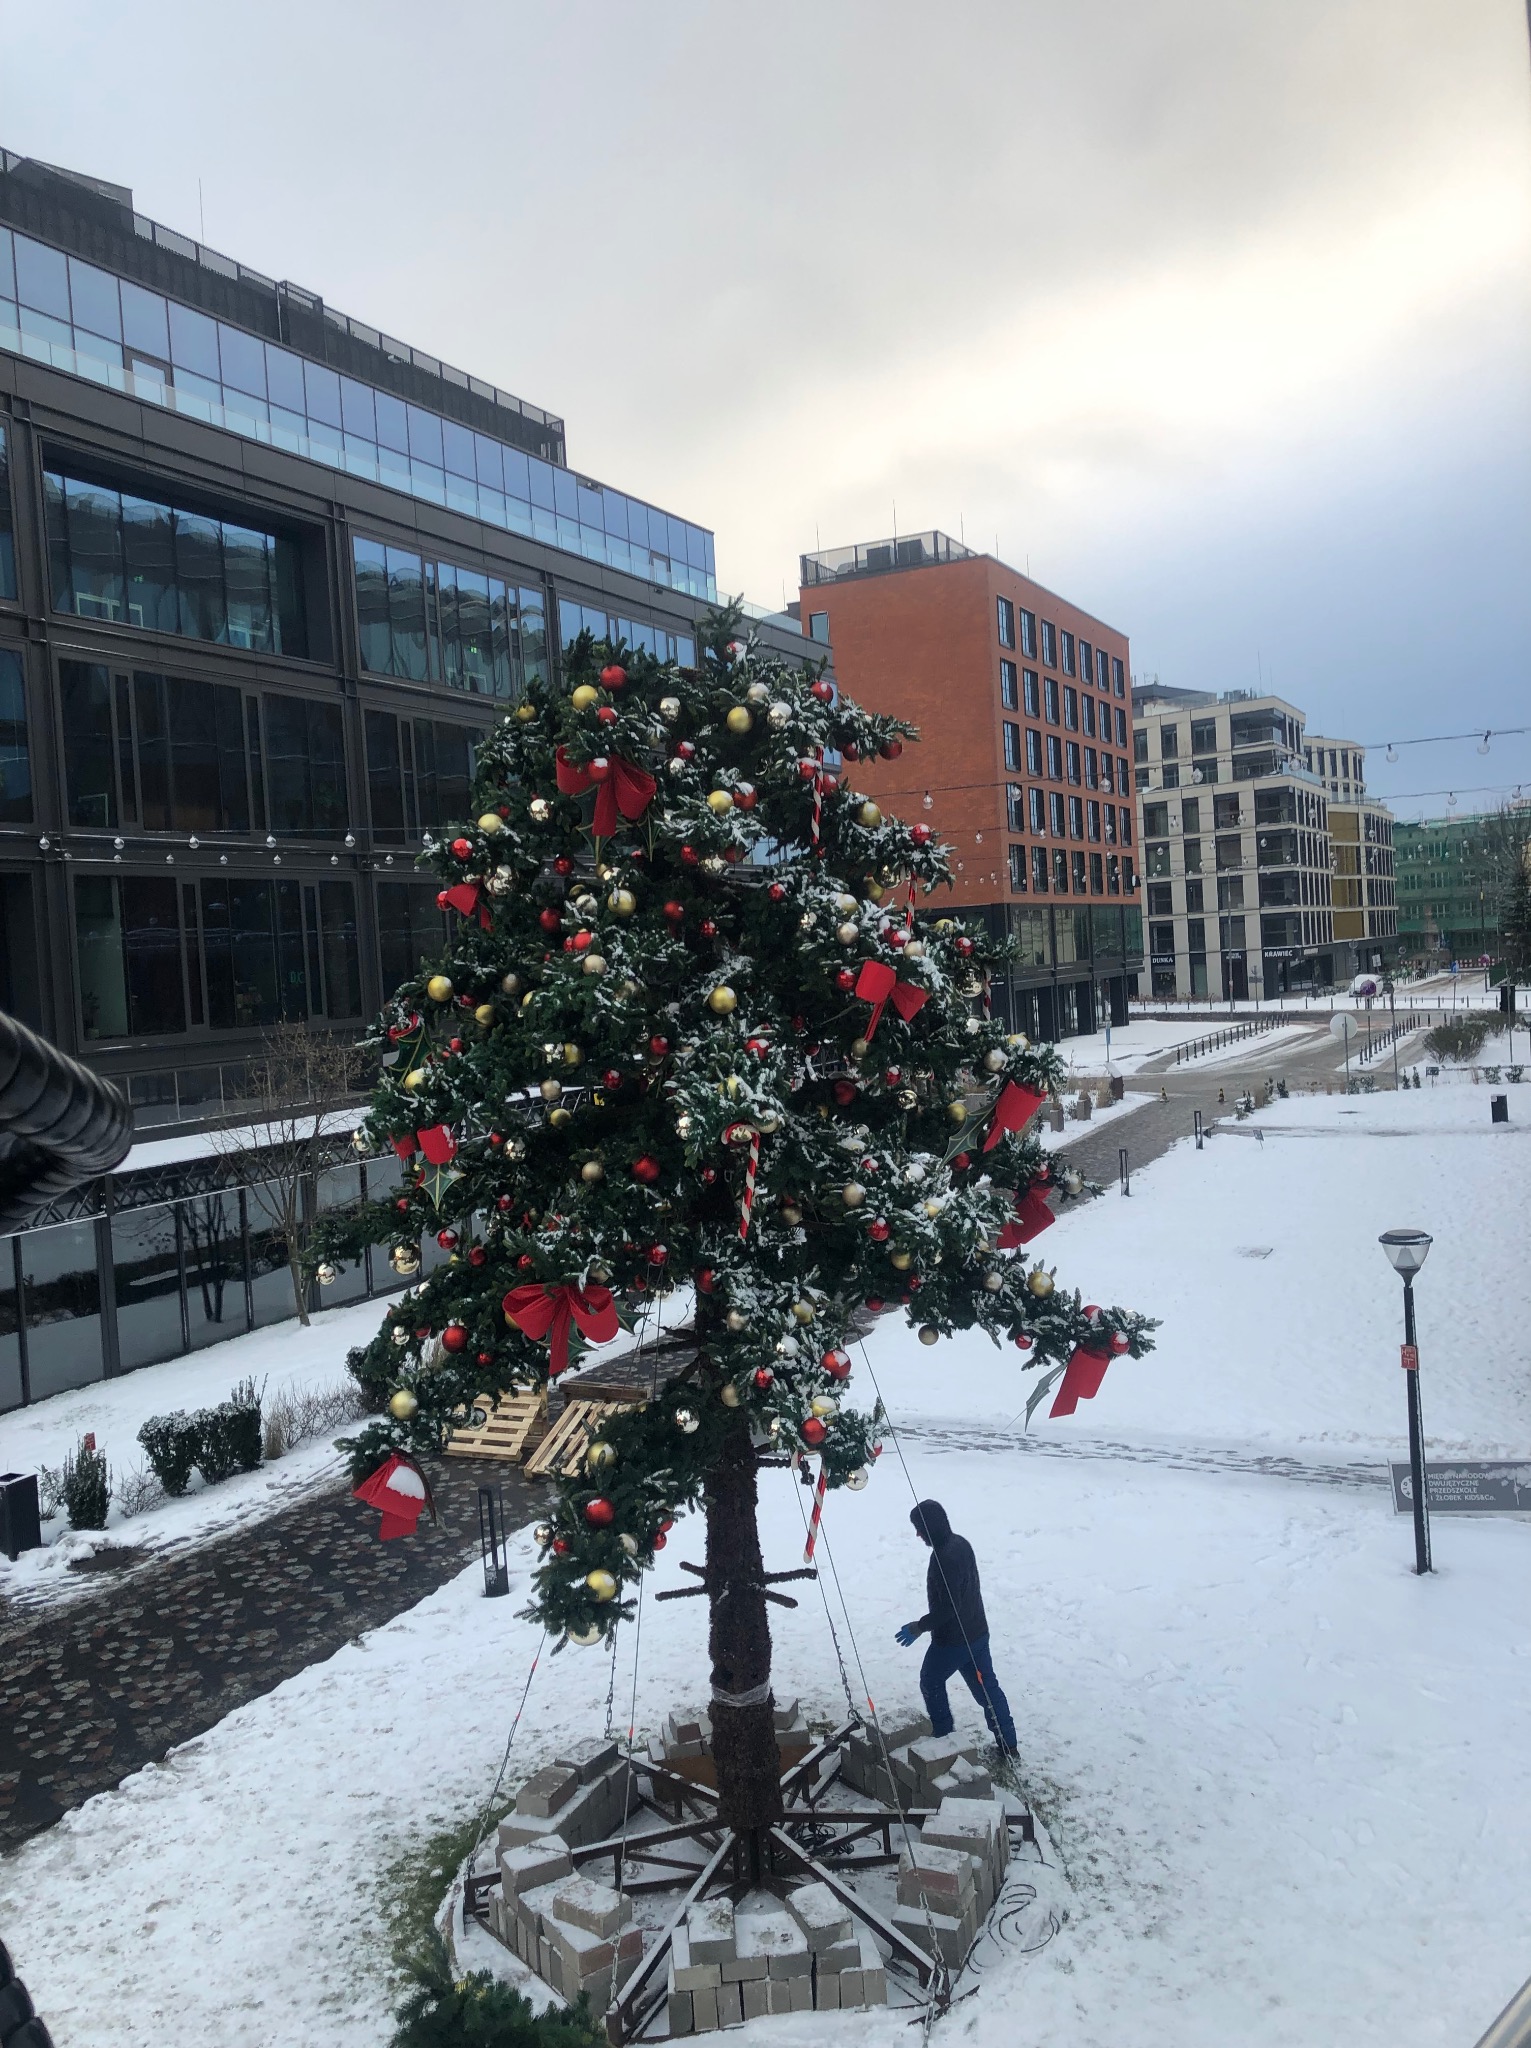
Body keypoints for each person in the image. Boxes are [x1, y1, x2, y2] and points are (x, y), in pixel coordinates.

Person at [895, 1499, 1018, 1756]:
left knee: (931, 1680)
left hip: (952, 1642)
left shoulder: (943, 1559)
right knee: (987, 1690)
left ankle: (944, 1738)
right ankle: (1009, 1746)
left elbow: (949, 1608)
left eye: (919, 1528)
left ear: (930, 1527)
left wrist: (919, 1626)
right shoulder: (961, 1543)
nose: (917, 1534)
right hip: (977, 1634)